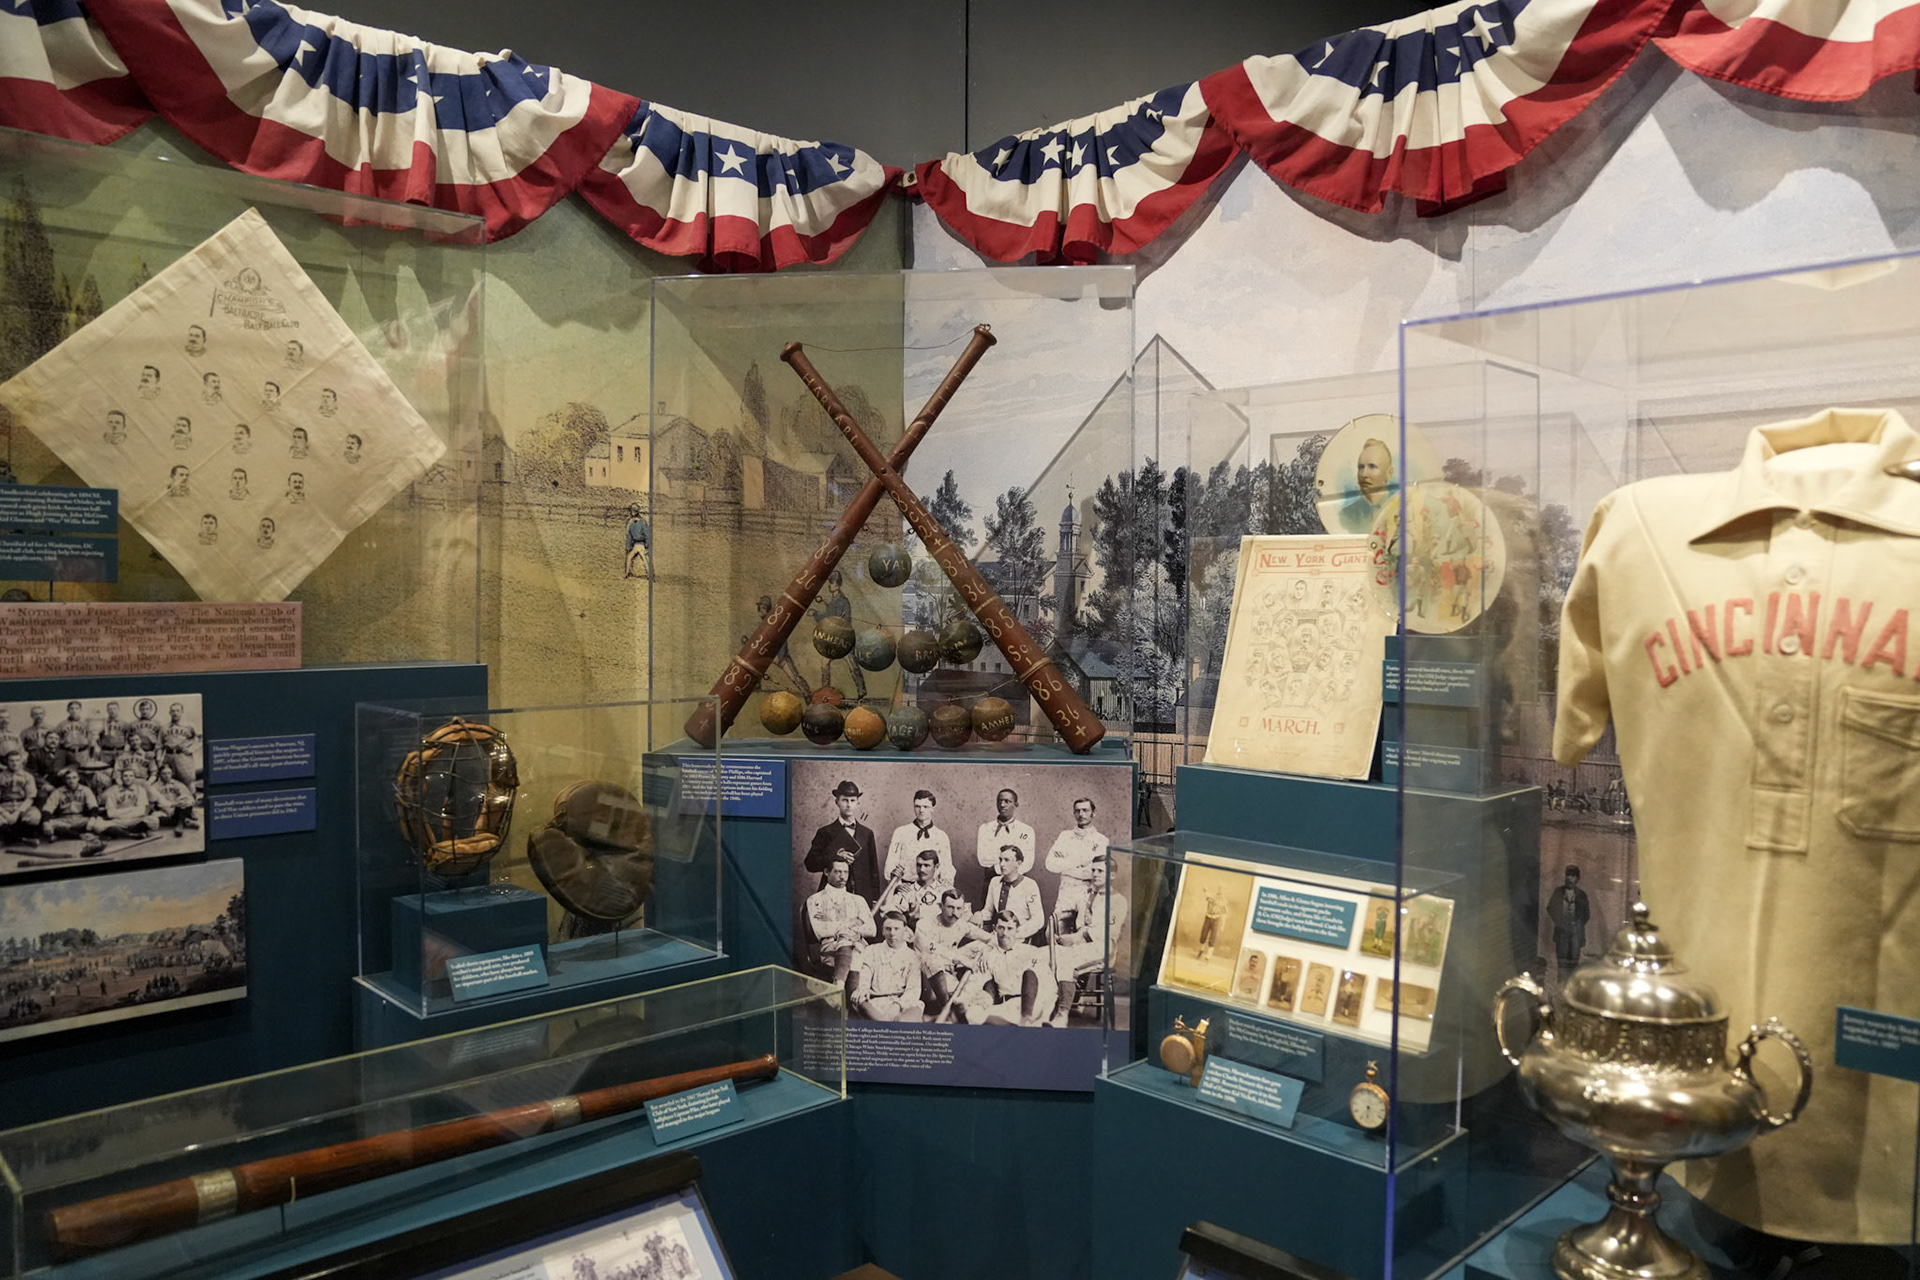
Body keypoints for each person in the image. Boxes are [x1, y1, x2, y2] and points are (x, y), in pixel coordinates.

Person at [1049, 857, 1127, 1028]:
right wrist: (1056, 929)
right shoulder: (1086, 895)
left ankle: (1062, 1013)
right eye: (1093, 870)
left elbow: (1108, 932)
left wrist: (1076, 938)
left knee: (1067, 961)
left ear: (1112, 875)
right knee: (1053, 955)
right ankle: (1052, 1004)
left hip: (1103, 949)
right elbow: (1065, 910)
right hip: (1081, 946)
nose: (1095, 874)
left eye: (1100, 871)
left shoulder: (1118, 901)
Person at [952, 910, 1054, 1026]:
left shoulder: (1031, 952)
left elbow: (1048, 984)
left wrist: (1047, 1012)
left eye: (1010, 928)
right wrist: (963, 998)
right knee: (977, 1016)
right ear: (994, 929)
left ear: (1017, 930)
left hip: (1034, 1004)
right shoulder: (989, 957)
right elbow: (978, 980)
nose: (1005, 933)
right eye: (1001, 928)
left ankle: (1027, 1023)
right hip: (1008, 1005)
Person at [802, 779, 881, 903]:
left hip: (862, 896)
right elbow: (810, 864)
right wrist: (834, 856)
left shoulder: (867, 834)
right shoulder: (825, 832)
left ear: (858, 803)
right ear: (837, 802)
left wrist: (875, 899)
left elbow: (873, 871)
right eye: (844, 800)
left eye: (852, 800)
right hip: (832, 896)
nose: (849, 805)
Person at [915, 888, 989, 1019]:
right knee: (932, 959)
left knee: (981, 946)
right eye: (950, 907)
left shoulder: (960, 924)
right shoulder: (924, 924)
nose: (954, 913)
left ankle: (969, 989)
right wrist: (960, 959)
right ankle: (946, 1009)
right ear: (940, 906)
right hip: (925, 978)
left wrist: (987, 950)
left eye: (959, 908)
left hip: (949, 972)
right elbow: (932, 949)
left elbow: (988, 938)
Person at [804, 851, 874, 987]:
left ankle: (838, 987)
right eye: (837, 872)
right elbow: (820, 931)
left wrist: (833, 923)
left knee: (856, 951)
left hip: (858, 945)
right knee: (853, 952)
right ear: (826, 872)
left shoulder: (858, 900)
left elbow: (872, 930)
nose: (843, 877)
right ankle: (849, 995)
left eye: (846, 872)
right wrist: (852, 923)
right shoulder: (815, 899)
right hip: (831, 948)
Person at [1045, 796, 1109, 919]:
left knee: (1085, 927)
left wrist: (1065, 862)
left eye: (1085, 810)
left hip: (1088, 891)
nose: (1081, 814)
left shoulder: (1101, 840)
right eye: (1077, 811)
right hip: (1066, 891)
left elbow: (1095, 872)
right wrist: (1081, 863)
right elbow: (1050, 864)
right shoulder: (1065, 836)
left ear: (1093, 813)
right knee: (1057, 927)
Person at [850, 912, 921, 1021]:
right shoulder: (872, 950)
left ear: (905, 930)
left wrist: (897, 1005)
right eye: (888, 929)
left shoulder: (913, 956)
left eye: (896, 929)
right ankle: (885, 1024)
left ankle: (890, 1024)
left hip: (901, 1002)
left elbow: (913, 989)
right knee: (860, 999)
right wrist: (863, 989)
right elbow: (865, 976)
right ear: (882, 931)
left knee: (914, 1010)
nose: (892, 933)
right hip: (875, 1001)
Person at [811, 570, 864, 698]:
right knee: (825, 662)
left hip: (842, 640)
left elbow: (844, 620)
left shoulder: (843, 601)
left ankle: (861, 690)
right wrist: (817, 614)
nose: (829, 585)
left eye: (831, 582)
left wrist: (816, 614)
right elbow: (828, 617)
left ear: (837, 584)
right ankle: (825, 691)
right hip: (834, 640)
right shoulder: (835, 600)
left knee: (852, 664)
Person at [977, 846, 1044, 945]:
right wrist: (979, 915)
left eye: (1007, 860)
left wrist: (1015, 933)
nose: (1002, 864)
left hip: (1020, 939)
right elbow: (989, 911)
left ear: (1018, 863)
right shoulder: (995, 882)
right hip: (997, 936)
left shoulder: (1029, 885)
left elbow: (1038, 920)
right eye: (1000, 860)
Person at [884, 789, 953, 884]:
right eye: (917, 806)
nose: (921, 810)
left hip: (931, 888)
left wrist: (942, 888)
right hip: (905, 887)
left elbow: (946, 868)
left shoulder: (941, 836)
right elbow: (891, 864)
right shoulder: (901, 832)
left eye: (925, 807)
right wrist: (898, 886)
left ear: (933, 808)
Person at [746, 594, 806, 692]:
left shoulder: (774, 622)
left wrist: (780, 657)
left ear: (768, 609)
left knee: (794, 678)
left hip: (781, 657)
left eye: (763, 608)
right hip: (770, 656)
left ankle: (807, 694)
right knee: (755, 664)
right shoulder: (763, 624)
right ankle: (756, 686)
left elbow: (782, 640)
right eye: (759, 608)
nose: (760, 610)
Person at [91, 757, 159, 841]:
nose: (128, 778)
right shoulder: (113, 791)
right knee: (97, 825)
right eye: (125, 776)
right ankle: (130, 834)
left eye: (131, 776)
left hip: (135, 819)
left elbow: (141, 811)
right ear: (121, 778)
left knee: (154, 820)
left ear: (134, 778)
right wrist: (131, 810)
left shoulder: (140, 789)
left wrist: (121, 812)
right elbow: (110, 813)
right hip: (119, 821)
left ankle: (119, 832)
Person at [1337, 437, 1396, 534]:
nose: (1364, 474)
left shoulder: (1401, 512)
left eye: (1372, 466)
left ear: (1389, 473)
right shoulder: (1346, 515)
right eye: (1361, 467)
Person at [40, 767, 102, 851]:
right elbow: (48, 808)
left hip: (80, 818)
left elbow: (93, 806)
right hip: (63, 819)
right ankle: (80, 835)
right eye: (68, 778)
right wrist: (46, 822)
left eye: (74, 777)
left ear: (78, 778)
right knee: (48, 825)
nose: (71, 780)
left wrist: (92, 819)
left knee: (98, 822)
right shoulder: (58, 791)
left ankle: (66, 835)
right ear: (64, 780)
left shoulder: (85, 790)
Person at [974, 788, 1035, 873]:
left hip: (1017, 877)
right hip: (991, 875)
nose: (1002, 805)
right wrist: (1009, 861)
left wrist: (1007, 872)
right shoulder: (985, 829)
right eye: (999, 801)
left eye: (1007, 801)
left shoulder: (1026, 831)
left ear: (1016, 804)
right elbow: (983, 859)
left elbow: (1027, 862)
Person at [1548, 864, 1590, 975]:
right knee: (1562, 962)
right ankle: (1561, 983)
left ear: (1577, 879)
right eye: (1568, 875)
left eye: (1573, 876)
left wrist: (1577, 925)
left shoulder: (1581, 895)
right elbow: (1550, 908)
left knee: (1574, 962)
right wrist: (1560, 922)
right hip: (1562, 933)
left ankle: (1572, 984)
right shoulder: (1558, 892)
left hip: (1576, 933)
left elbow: (1586, 914)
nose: (1569, 878)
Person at [0, 748, 42, 843]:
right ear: (6, 762)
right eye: (11, 761)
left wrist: (17, 813)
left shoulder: (27, 776)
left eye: (17, 760)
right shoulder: (1, 777)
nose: (15, 763)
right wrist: (5, 813)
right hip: (5, 805)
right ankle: (20, 839)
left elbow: (30, 798)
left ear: (21, 761)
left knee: (34, 816)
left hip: (22, 804)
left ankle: (15, 837)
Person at [161, 703, 198, 788]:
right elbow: (159, 745)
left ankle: (191, 796)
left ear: (182, 712)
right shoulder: (164, 727)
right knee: (168, 781)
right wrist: (159, 759)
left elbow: (198, 739)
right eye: (173, 711)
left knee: (187, 780)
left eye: (178, 711)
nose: (175, 713)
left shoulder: (189, 726)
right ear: (170, 712)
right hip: (168, 756)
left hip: (183, 756)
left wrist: (191, 749)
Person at [1196, 883, 1228, 964]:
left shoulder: (1224, 901)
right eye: (1219, 888)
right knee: (1203, 935)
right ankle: (1201, 950)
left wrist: (1223, 925)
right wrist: (1205, 890)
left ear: (1224, 891)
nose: (1220, 890)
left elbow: (1224, 914)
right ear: (1218, 889)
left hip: (1216, 919)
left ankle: (1208, 956)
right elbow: (1206, 895)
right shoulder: (1212, 896)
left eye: (1222, 889)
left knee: (1213, 938)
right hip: (1208, 917)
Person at [623, 505, 651, 580]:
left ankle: (649, 575)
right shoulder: (630, 523)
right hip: (635, 545)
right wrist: (629, 547)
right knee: (629, 557)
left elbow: (647, 535)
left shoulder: (642, 522)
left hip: (641, 544)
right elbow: (629, 536)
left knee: (645, 559)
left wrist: (647, 546)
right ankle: (627, 573)